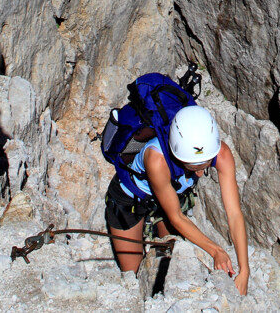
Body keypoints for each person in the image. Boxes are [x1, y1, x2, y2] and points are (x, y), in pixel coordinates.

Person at [106, 105, 251, 295]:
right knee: (134, 276)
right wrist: (216, 250)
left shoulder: (221, 153)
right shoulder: (156, 159)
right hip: (129, 199)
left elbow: (234, 214)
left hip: (170, 195)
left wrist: (245, 270)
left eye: (205, 164)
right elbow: (175, 217)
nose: (199, 172)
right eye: (192, 166)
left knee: (172, 256)